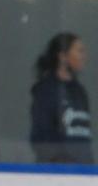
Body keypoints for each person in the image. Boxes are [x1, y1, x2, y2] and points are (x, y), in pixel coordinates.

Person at [30, 32, 93, 164]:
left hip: (83, 170)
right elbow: (41, 137)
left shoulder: (79, 91)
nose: (84, 57)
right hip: (58, 170)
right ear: (63, 56)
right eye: (79, 51)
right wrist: (59, 163)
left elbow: (85, 135)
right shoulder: (47, 90)